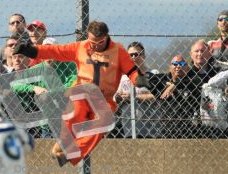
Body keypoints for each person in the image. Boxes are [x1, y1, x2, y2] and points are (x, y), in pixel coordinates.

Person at [13, 20, 149, 165]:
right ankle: (64, 145)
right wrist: (30, 50)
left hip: (104, 99)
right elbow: (56, 51)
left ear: (107, 37)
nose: (95, 46)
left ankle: (70, 155)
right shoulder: (81, 47)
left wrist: (138, 79)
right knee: (75, 113)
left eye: (100, 43)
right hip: (82, 92)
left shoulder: (119, 50)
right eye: (92, 42)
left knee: (104, 122)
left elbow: (132, 70)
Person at [115, 42, 159, 138]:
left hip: (150, 129)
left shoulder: (153, 74)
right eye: (130, 55)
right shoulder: (122, 78)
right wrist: (119, 98)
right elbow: (115, 101)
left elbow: (158, 97)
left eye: (136, 54)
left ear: (143, 56)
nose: (133, 57)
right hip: (128, 129)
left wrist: (134, 97)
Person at [149, 55, 196, 138]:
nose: (178, 66)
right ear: (170, 67)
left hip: (189, 128)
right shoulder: (163, 79)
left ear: (187, 67)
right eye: (175, 63)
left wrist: (176, 85)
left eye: (182, 63)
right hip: (164, 129)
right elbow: (148, 78)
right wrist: (166, 84)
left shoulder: (192, 81)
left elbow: (198, 80)